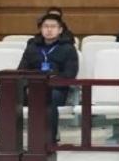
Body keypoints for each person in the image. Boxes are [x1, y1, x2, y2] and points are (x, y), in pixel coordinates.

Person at [18, 13, 79, 144]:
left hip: (56, 89)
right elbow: (21, 71)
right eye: (45, 26)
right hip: (32, 88)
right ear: (41, 29)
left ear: (60, 30)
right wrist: (28, 86)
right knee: (6, 99)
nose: (49, 30)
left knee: (48, 97)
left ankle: (48, 142)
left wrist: (46, 84)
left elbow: (70, 74)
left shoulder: (68, 48)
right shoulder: (32, 47)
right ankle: (7, 142)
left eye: (53, 26)